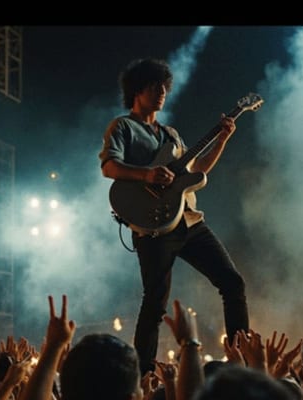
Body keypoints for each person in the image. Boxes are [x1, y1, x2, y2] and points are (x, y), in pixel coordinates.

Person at [99, 57, 249, 375]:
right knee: (155, 303)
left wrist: (222, 139)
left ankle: (244, 362)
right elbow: (109, 166)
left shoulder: (171, 134)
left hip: (189, 221)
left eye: (165, 87)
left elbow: (196, 170)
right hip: (153, 226)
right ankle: (143, 377)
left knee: (233, 283)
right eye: (155, 86)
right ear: (137, 90)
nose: (162, 92)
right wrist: (147, 175)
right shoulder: (122, 127)